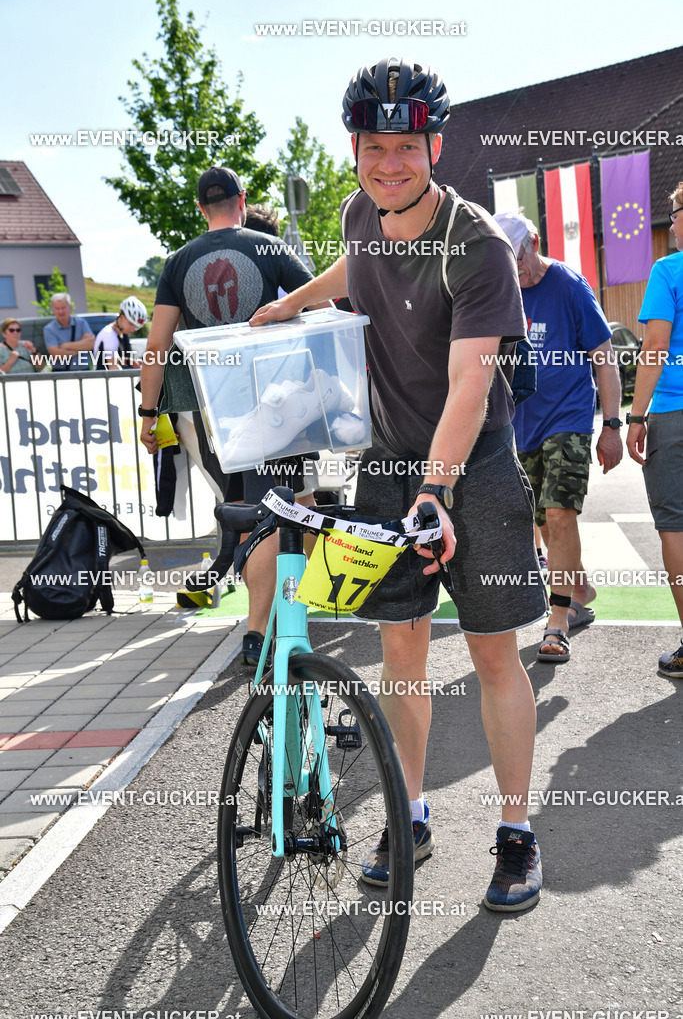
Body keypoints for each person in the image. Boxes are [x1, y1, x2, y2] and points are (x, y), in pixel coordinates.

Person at [251, 58, 548, 911]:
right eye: (373, 148)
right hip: (387, 468)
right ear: (354, 150)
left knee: (492, 654)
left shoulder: (477, 246)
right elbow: (356, 266)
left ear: (434, 148)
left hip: (472, 469)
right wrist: (292, 305)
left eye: (406, 148)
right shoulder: (359, 211)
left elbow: (469, 385)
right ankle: (408, 814)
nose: (389, 164)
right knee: (401, 651)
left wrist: (434, 489)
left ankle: (516, 834)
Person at [139, 166, 319, 667]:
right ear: (242, 200)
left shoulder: (177, 262)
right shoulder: (270, 248)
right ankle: (263, 627)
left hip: (214, 414)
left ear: (201, 208)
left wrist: (148, 414)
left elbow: (156, 344)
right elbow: (323, 304)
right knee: (287, 509)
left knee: (249, 511)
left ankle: (269, 618)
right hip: (277, 403)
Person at [494, 211, 624, 662]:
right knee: (545, 521)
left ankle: (558, 619)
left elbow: (604, 357)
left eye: (519, 258)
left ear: (534, 242)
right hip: (521, 426)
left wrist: (612, 426)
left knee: (559, 512)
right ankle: (579, 587)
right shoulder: (501, 290)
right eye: (507, 262)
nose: (517, 271)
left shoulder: (569, 285)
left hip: (568, 418)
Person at [627, 180, 683, 677]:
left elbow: (655, 346)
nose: (671, 224)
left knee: (676, 526)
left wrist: (635, 415)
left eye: (674, 214)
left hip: (672, 414)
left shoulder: (668, 270)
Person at [93, 296, 148, 370]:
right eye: (131, 324)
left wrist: (129, 361)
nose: (133, 329)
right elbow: (113, 367)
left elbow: (116, 359)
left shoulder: (123, 333)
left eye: (136, 326)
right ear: (121, 316)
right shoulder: (109, 335)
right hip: (102, 377)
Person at [44, 292, 94, 371]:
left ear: (70, 307)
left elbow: (91, 344)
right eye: (57, 308)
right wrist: (81, 347)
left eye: (63, 308)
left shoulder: (81, 323)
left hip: (84, 372)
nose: (60, 312)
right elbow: (56, 354)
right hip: (61, 373)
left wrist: (64, 346)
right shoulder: (49, 329)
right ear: (53, 310)